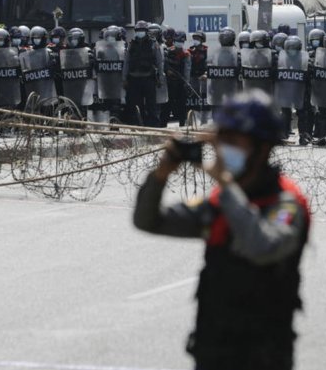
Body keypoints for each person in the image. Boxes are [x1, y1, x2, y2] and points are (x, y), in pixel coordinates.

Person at [133, 89, 311, 370]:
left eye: (233, 141)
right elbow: (149, 221)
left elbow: (263, 247)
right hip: (212, 350)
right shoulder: (220, 202)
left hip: (264, 355)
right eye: (221, 140)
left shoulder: (285, 204)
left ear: (262, 147)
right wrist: (161, 175)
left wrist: (227, 186)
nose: (222, 149)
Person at [123, 20, 164, 127]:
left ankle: (154, 126)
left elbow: (159, 62)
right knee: (136, 105)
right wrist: (124, 78)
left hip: (148, 78)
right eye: (138, 30)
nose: (139, 32)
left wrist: (160, 78)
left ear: (146, 31)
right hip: (134, 79)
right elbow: (126, 62)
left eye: (142, 30)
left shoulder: (153, 44)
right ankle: (139, 125)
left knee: (151, 105)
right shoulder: (131, 44)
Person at [162, 30, 191, 127]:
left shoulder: (186, 54)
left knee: (182, 105)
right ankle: (163, 125)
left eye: (181, 41)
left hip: (180, 83)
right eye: (177, 41)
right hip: (170, 83)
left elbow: (187, 70)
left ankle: (182, 125)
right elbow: (163, 64)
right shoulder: (167, 51)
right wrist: (167, 71)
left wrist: (186, 83)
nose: (179, 43)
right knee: (167, 104)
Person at [188, 31, 209, 124]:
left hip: (204, 79)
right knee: (193, 100)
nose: (195, 40)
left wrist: (206, 74)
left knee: (204, 100)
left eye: (198, 38)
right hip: (193, 78)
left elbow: (210, 64)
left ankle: (204, 122)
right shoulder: (190, 50)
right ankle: (192, 122)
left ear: (202, 40)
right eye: (194, 38)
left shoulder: (206, 50)